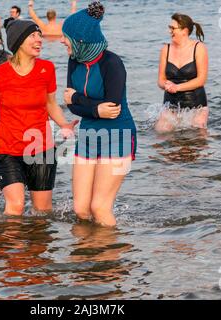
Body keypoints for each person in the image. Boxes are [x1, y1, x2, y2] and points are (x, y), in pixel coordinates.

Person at [0, 20, 78, 216]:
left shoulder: (47, 68)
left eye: (40, 35)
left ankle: (35, 246)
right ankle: (8, 245)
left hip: (41, 149)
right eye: (33, 35)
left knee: (42, 212)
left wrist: (64, 123)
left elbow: (50, 103)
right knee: (15, 207)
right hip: (7, 149)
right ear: (19, 41)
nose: (39, 39)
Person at [61, 1, 137, 227]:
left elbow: (111, 109)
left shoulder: (112, 63)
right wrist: (91, 107)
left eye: (66, 37)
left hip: (118, 136)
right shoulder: (74, 60)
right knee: (81, 209)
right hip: (87, 136)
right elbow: (72, 106)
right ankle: (88, 257)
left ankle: (112, 260)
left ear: (80, 40)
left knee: (100, 207)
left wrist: (77, 99)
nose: (62, 41)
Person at [156, 13, 209, 133]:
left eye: (173, 28)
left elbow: (201, 80)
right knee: (161, 134)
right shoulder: (166, 49)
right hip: (171, 104)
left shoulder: (199, 48)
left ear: (184, 31)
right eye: (169, 27)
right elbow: (160, 80)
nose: (169, 31)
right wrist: (166, 85)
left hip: (196, 105)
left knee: (197, 137)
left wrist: (177, 87)